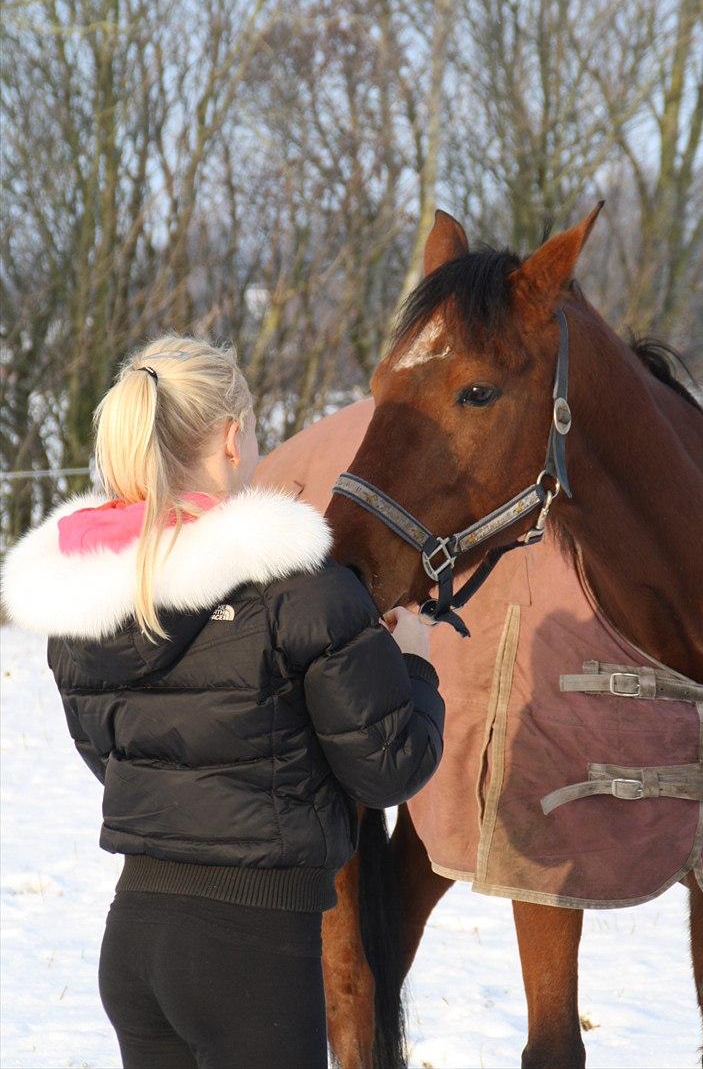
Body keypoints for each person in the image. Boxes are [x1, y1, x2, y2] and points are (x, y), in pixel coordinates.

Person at [1, 336, 445, 1069]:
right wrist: (416, 666)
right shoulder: (301, 589)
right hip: (255, 953)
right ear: (234, 436)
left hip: (134, 938)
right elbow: (389, 768)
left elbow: (113, 760)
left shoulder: (84, 598)